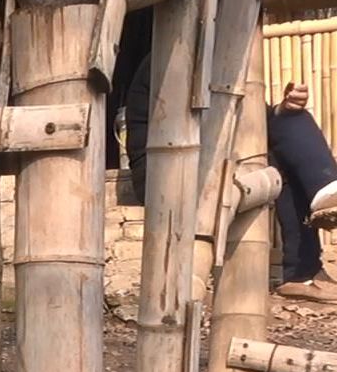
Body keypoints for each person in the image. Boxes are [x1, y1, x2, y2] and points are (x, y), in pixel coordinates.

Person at [125, 54, 337, 302]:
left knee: (292, 119)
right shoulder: (172, 54)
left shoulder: (221, 57)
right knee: (282, 147)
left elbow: (257, 120)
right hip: (166, 166)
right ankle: (303, 268)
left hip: (212, 155)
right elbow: (202, 123)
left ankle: (325, 197)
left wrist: (284, 108)